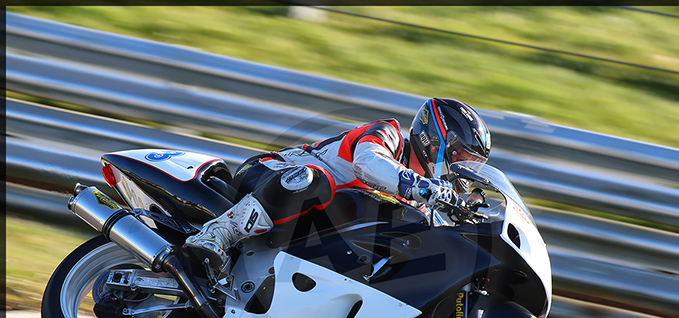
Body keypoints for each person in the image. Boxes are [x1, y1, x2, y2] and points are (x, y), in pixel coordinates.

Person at [184, 97, 492, 272]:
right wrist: (427, 189)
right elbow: (367, 163)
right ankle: (216, 235)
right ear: (435, 139)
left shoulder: (419, 200)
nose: (462, 169)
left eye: (471, 163)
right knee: (314, 182)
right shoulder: (389, 135)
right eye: (460, 156)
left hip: (308, 223)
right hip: (270, 176)